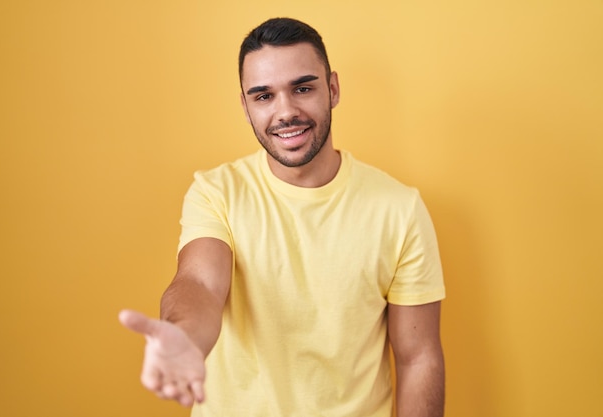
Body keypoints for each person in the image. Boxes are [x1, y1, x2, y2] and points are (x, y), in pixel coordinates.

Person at [120, 17, 446, 417]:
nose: (285, 112)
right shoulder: (216, 192)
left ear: (333, 89)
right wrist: (183, 334)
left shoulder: (399, 208)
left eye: (303, 88)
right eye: (263, 96)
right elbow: (200, 283)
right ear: (245, 106)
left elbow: (419, 358)